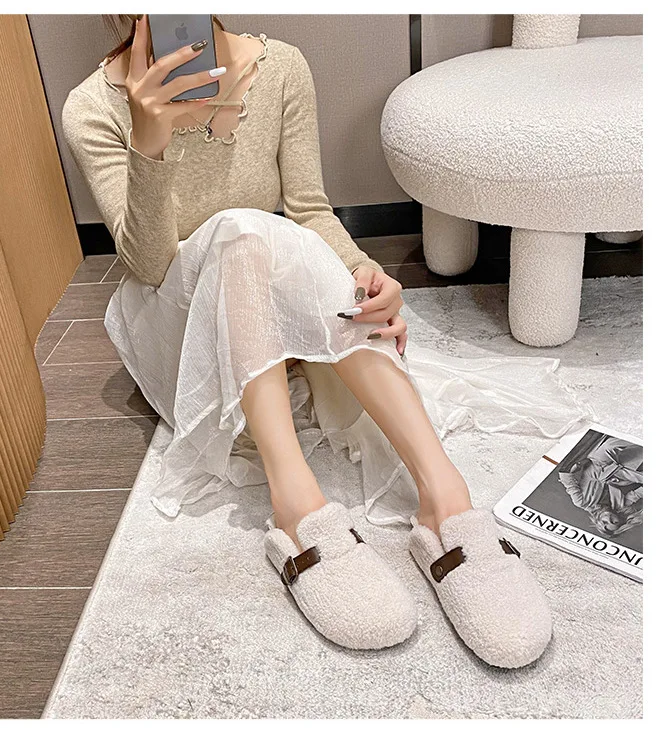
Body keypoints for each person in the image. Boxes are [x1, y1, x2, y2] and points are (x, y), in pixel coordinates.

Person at [61, 14, 575, 665]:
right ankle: (296, 506)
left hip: (260, 296)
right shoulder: (91, 108)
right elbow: (151, 266)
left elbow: (307, 209)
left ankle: (445, 499)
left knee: (264, 239)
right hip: (180, 324)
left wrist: (363, 273)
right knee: (242, 232)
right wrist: (150, 142)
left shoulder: (279, 67)